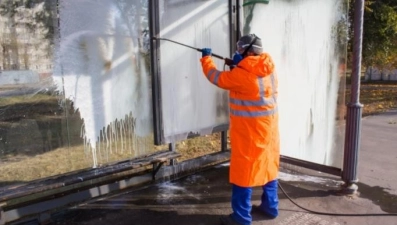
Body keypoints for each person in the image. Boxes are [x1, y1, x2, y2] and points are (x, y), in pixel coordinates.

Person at [200, 34, 280, 225]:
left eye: (239, 49)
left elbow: (217, 78)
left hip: (249, 133)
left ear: (248, 51)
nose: (237, 51)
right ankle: (271, 208)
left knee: (243, 171)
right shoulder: (268, 69)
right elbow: (250, 81)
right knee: (269, 166)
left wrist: (206, 59)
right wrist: (239, 64)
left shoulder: (242, 75)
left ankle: (241, 217)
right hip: (268, 130)